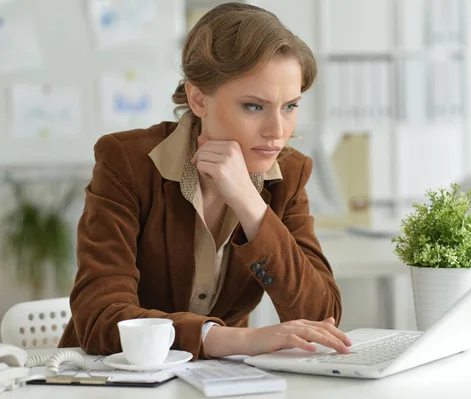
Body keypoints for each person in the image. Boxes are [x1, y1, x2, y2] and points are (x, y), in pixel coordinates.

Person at [59, 2, 352, 360]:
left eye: (290, 106)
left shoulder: (288, 175)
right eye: (254, 106)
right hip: (110, 378)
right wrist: (231, 340)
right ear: (199, 98)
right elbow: (101, 318)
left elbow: (321, 315)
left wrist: (250, 203)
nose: (277, 131)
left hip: (216, 382)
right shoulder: (127, 162)